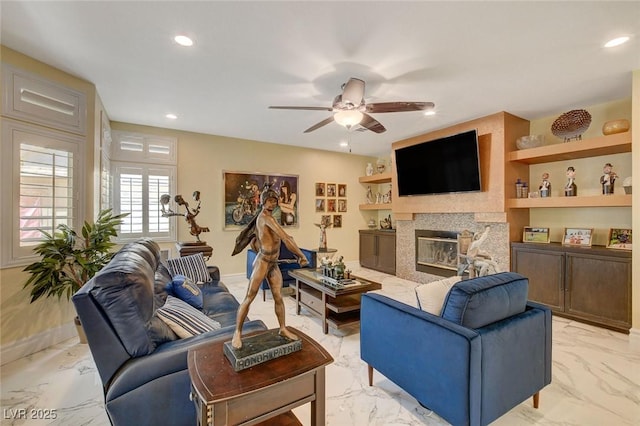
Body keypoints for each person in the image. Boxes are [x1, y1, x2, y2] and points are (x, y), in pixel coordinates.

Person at [230, 184, 309, 349]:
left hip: (273, 264)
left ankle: (282, 328)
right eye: (269, 201)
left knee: (278, 297)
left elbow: (258, 240)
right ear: (263, 202)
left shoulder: (270, 218)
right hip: (262, 263)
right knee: (249, 298)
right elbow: (287, 239)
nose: (272, 204)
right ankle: (237, 332)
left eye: (275, 201)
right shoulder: (266, 218)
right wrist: (301, 256)